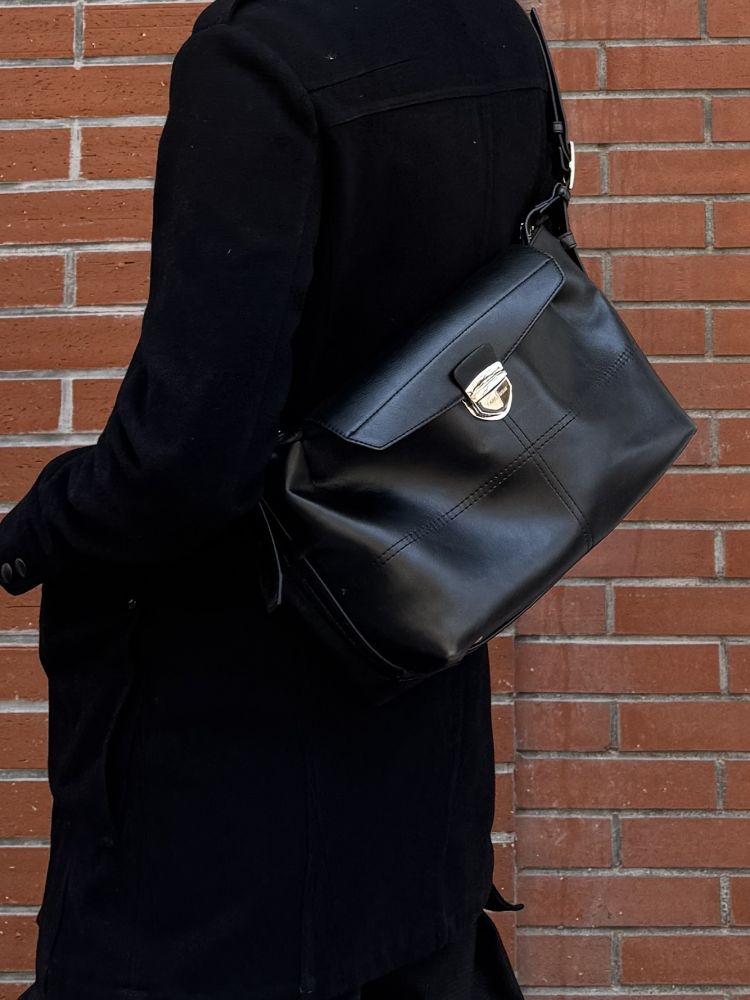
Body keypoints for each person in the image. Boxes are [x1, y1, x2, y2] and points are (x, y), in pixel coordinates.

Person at [1, 0, 557, 996]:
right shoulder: (497, 31)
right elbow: (525, 324)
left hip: (238, 776)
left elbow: (185, 462)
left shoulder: (255, 61)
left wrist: (39, 528)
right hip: (418, 710)